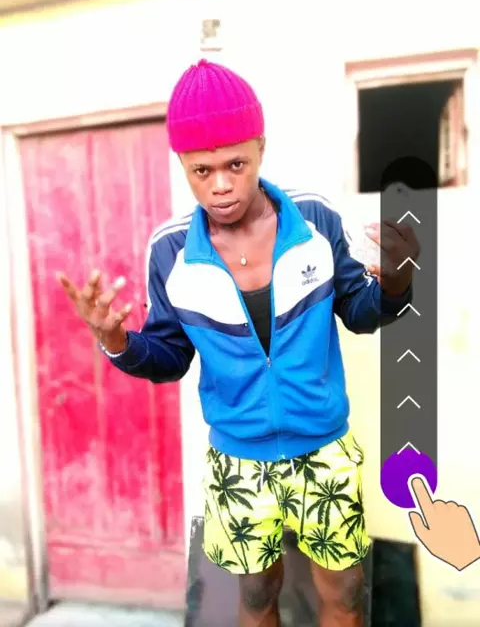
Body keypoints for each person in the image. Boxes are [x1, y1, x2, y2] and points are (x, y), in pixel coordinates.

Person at [58, 59, 419, 627]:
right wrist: (117, 340)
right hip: (238, 460)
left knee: (347, 595)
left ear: (261, 149)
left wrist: (396, 285)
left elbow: (358, 311)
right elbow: (170, 357)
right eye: (201, 171)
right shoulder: (171, 250)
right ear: (182, 164)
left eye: (236, 164)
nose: (220, 185)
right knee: (253, 598)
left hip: (325, 449)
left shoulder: (315, 219)